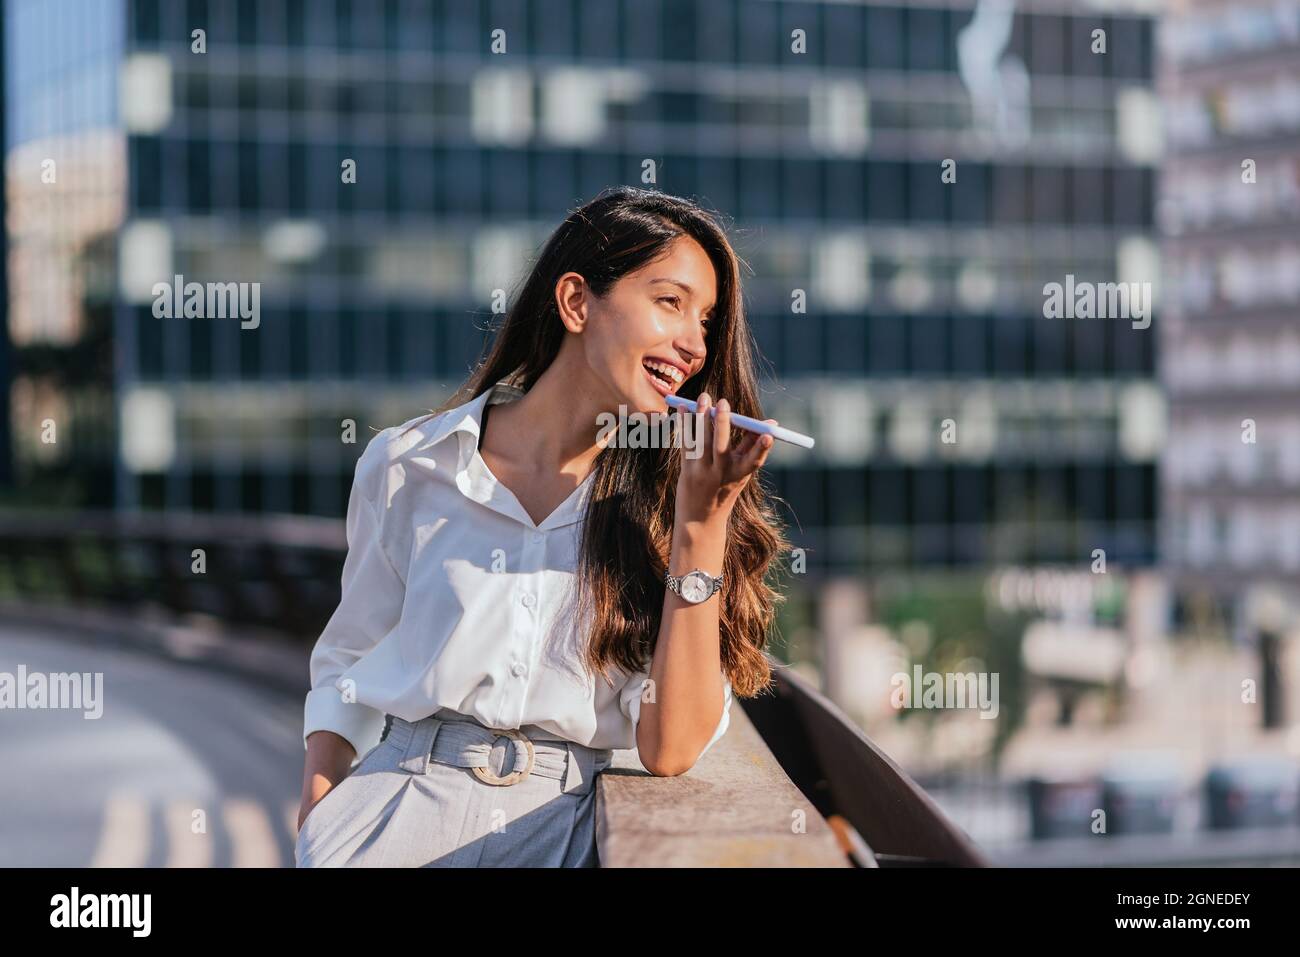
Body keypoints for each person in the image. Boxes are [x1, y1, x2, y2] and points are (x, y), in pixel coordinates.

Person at [295, 185, 790, 867]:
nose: (695, 344)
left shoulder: (672, 503)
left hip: (563, 826)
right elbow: (349, 655)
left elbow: (670, 746)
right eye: (671, 302)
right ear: (577, 302)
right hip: (391, 816)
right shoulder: (412, 463)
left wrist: (701, 528)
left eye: (706, 319)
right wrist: (321, 811)